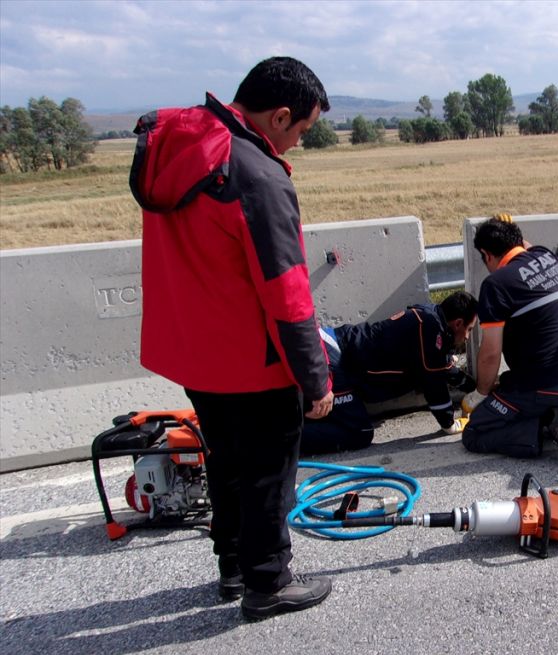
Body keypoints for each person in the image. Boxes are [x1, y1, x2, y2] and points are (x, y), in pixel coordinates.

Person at [129, 57, 336, 620]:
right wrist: (313, 377)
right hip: (253, 360)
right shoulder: (256, 174)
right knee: (269, 469)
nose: (295, 144)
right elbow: (286, 291)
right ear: (280, 116)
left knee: (225, 461)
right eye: (300, 131)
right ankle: (268, 582)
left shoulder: (184, 147)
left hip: (197, 355)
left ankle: (233, 567)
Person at [461, 217, 558, 464]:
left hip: (541, 384)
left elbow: (490, 354)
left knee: (474, 433)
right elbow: (524, 245)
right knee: (508, 385)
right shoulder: (546, 257)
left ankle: (547, 423)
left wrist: (480, 393)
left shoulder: (496, 286)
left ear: (486, 254)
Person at [301, 291, 479, 454]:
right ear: (458, 323)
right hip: (333, 357)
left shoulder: (431, 318)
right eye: (469, 330)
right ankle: (280, 441)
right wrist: (450, 424)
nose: (467, 337)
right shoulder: (430, 329)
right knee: (358, 433)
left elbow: (444, 369)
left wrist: (477, 389)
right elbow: (434, 385)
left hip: (333, 351)